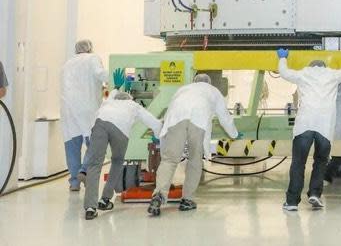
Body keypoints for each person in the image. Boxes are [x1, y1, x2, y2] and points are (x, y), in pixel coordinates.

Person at [277, 47, 341, 211]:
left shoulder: (302, 74)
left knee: (298, 164)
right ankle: (315, 194)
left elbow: (284, 72)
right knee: (320, 163)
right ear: (324, 67)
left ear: (311, 66)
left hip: (304, 126)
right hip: (324, 127)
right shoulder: (332, 75)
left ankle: (292, 202)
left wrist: (282, 57)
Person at [148, 73, 239, 216]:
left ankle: (158, 195)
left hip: (176, 119)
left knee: (169, 160)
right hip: (199, 120)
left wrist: (161, 132)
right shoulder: (213, 91)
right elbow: (224, 118)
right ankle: (187, 200)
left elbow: (170, 110)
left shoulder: (183, 89)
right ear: (209, 82)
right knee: (195, 161)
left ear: (194, 81)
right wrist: (234, 134)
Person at [83, 68, 162, 220]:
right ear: (129, 98)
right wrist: (159, 136)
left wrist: (118, 86)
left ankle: (91, 208)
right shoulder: (133, 105)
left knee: (94, 165)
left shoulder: (110, 101)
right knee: (117, 161)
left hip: (99, 125)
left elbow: (113, 93)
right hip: (120, 130)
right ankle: (105, 199)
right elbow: (153, 122)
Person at [60, 39, 108, 192]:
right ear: (90, 49)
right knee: (95, 143)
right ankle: (84, 170)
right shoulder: (92, 58)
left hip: (68, 109)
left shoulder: (67, 63)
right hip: (88, 108)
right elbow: (100, 74)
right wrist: (118, 76)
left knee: (72, 146)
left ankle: (74, 183)